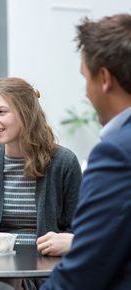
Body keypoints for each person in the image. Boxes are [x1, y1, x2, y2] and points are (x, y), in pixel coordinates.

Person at [41, 14, 131, 290]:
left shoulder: (117, 154)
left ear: (104, 78)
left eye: (85, 77)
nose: (86, 92)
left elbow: (80, 275)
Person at [0, 77, 82, 247]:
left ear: (25, 112)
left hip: (48, 266)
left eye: (1, 111)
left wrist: (70, 243)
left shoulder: (64, 163)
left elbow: (78, 230)